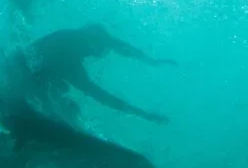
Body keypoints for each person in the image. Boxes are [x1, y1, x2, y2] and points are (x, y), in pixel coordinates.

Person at [12, 24, 175, 125]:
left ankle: (58, 119)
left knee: (69, 105)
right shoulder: (68, 39)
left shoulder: (76, 59)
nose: (102, 51)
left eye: (101, 47)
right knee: (53, 93)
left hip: (42, 74)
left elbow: (120, 47)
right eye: (97, 46)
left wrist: (152, 61)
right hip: (26, 73)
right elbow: (29, 56)